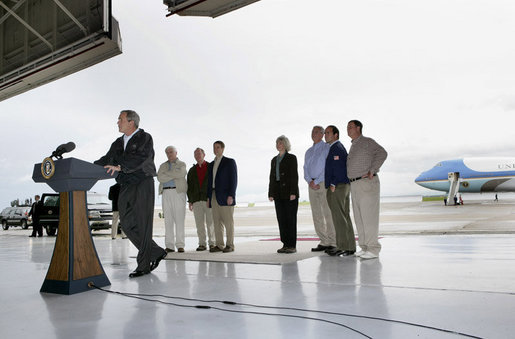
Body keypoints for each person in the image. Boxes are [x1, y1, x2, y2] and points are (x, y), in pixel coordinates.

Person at [94, 109, 167, 278]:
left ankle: (144, 265)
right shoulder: (118, 143)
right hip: (126, 184)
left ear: (131, 122)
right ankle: (156, 252)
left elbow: (142, 158)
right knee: (126, 224)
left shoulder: (144, 137)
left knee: (143, 223)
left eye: (120, 119)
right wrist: (87, 168)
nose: (117, 122)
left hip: (142, 182)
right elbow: (106, 159)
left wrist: (121, 167)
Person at [347, 120, 387, 260]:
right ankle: (364, 246)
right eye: (347, 127)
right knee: (359, 217)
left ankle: (373, 249)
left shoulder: (367, 142)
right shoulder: (353, 145)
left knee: (368, 217)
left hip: (366, 183)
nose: (348, 129)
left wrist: (373, 170)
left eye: (350, 126)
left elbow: (382, 153)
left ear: (358, 128)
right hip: (355, 184)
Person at [324, 125, 355, 257]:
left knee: (339, 217)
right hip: (341, 185)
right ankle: (348, 246)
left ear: (336, 135)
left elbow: (339, 168)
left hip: (338, 186)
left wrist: (333, 183)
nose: (326, 135)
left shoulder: (337, 148)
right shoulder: (335, 148)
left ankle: (343, 246)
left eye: (328, 133)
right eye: (325, 133)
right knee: (343, 216)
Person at [303, 126, 336, 252]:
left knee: (328, 213)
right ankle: (324, 241)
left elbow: (327, 167)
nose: (314, 133)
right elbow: (305, 168)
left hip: (323, 183)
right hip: (311, 185)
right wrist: (309, 181)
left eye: (317, 132)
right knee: (316, 214)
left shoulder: (326, 148)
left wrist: (316, 181)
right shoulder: (308, 151)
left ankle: (333, 242)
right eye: (312, 131)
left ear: (322, 134)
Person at [269, 135, 299, 254]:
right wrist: (271, 193)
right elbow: (271, 177)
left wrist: (293, 192)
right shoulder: (274, 160)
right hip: (278, 193)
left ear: (285, 144)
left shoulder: (291, 158)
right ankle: (285, 244)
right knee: (281, 219)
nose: (278, 145)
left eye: (280, 143)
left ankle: (292, 245)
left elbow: (294, 176)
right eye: (277, 143)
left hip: (289, 193)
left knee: (290, 219)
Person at [207, 141, 238, 253]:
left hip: (226, 196)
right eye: (214, 147)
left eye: (218, 147)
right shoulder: (211, 164)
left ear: (223, 148)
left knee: (228, 222)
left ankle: (230, 245)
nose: (216, 149)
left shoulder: (229, 162)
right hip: (214, 195)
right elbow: (209, 182)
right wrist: (208, 197)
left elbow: (233, 180)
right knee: (216, 222)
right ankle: (219, 245)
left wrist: (231, 195)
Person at [157, 146, 187, 253]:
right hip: (165, 192)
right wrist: (174, 175)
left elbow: (182, 173)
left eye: (171, 152)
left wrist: (167, 175)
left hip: (178, 192)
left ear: (176, 152)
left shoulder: (181, 164)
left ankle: (180, 245)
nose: (169, 154)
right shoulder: (162, 165)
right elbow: (160, 178)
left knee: (179, 220)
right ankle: (169, 246)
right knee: (168, 220)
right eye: (167, 152)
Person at [187, 148, 215, 251]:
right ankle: (202, 244)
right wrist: (190, 201)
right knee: (199, 224)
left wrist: (210, 197)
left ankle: (212, 243)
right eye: (195, 154)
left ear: (204, 154)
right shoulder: (192, 170)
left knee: (210, 223)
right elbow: (189, 187)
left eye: (199, 153)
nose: (197, 155)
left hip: (208, 199)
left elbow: (213, 184)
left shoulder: (210, 167)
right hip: (196, 200)